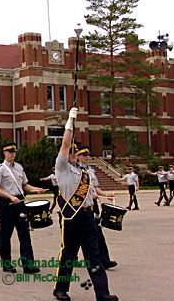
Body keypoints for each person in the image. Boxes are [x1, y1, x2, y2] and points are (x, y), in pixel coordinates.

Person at [52, 108, 118, 301]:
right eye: (72, 150)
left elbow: (93, 193)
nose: (73, 152)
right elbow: (65, 143)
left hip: (88, 216)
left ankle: (102, 294)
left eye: (75, 151)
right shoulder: (62, 167)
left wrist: (102, 196)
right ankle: (60, 289)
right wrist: (71, 120)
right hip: (71, 216)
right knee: (68, 256)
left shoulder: (86, 172)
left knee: (93, 255)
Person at [0, 142, 46, 274]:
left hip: (19, 204)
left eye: (14, 151)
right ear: (4, 153)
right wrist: (9, 196)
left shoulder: (19, 167)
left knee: (24, 234)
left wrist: (35, 189)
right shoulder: (1, 168)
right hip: (7, 205)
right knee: (6, 235)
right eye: (9, 152)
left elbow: (24, 185)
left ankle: (28, 265)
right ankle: (7, 264)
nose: (12, 154)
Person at [76, 145, 118, 271]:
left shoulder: (91, 170)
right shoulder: (75, 171)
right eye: (84, 155)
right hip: (80, 206)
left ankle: (104, 260)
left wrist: (106, 194)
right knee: (80, 236)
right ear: (78, 156)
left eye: (88, 155)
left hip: (93, 205)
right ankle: (72, 259)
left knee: (98, 233)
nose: (87, 157)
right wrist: (88, 194)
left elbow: (96, 188)